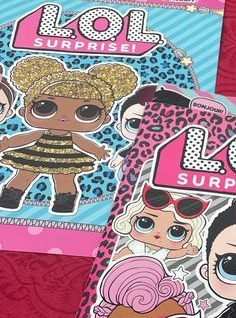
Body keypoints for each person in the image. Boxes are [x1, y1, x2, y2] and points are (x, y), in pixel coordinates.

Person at [0, 56, 137, 214]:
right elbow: (26, 138)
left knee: (65, 179)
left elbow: (83, 143)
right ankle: (11, 196)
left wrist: (96, 151)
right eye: (45, 107)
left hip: (66, 158)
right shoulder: (41, 133)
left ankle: (64, 201)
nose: (63, 118)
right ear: (24, 111)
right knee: (24, 175)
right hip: (35, 155)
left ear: (105, 119)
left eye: (87, 112)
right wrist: (8, 143)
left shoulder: (72, 136)